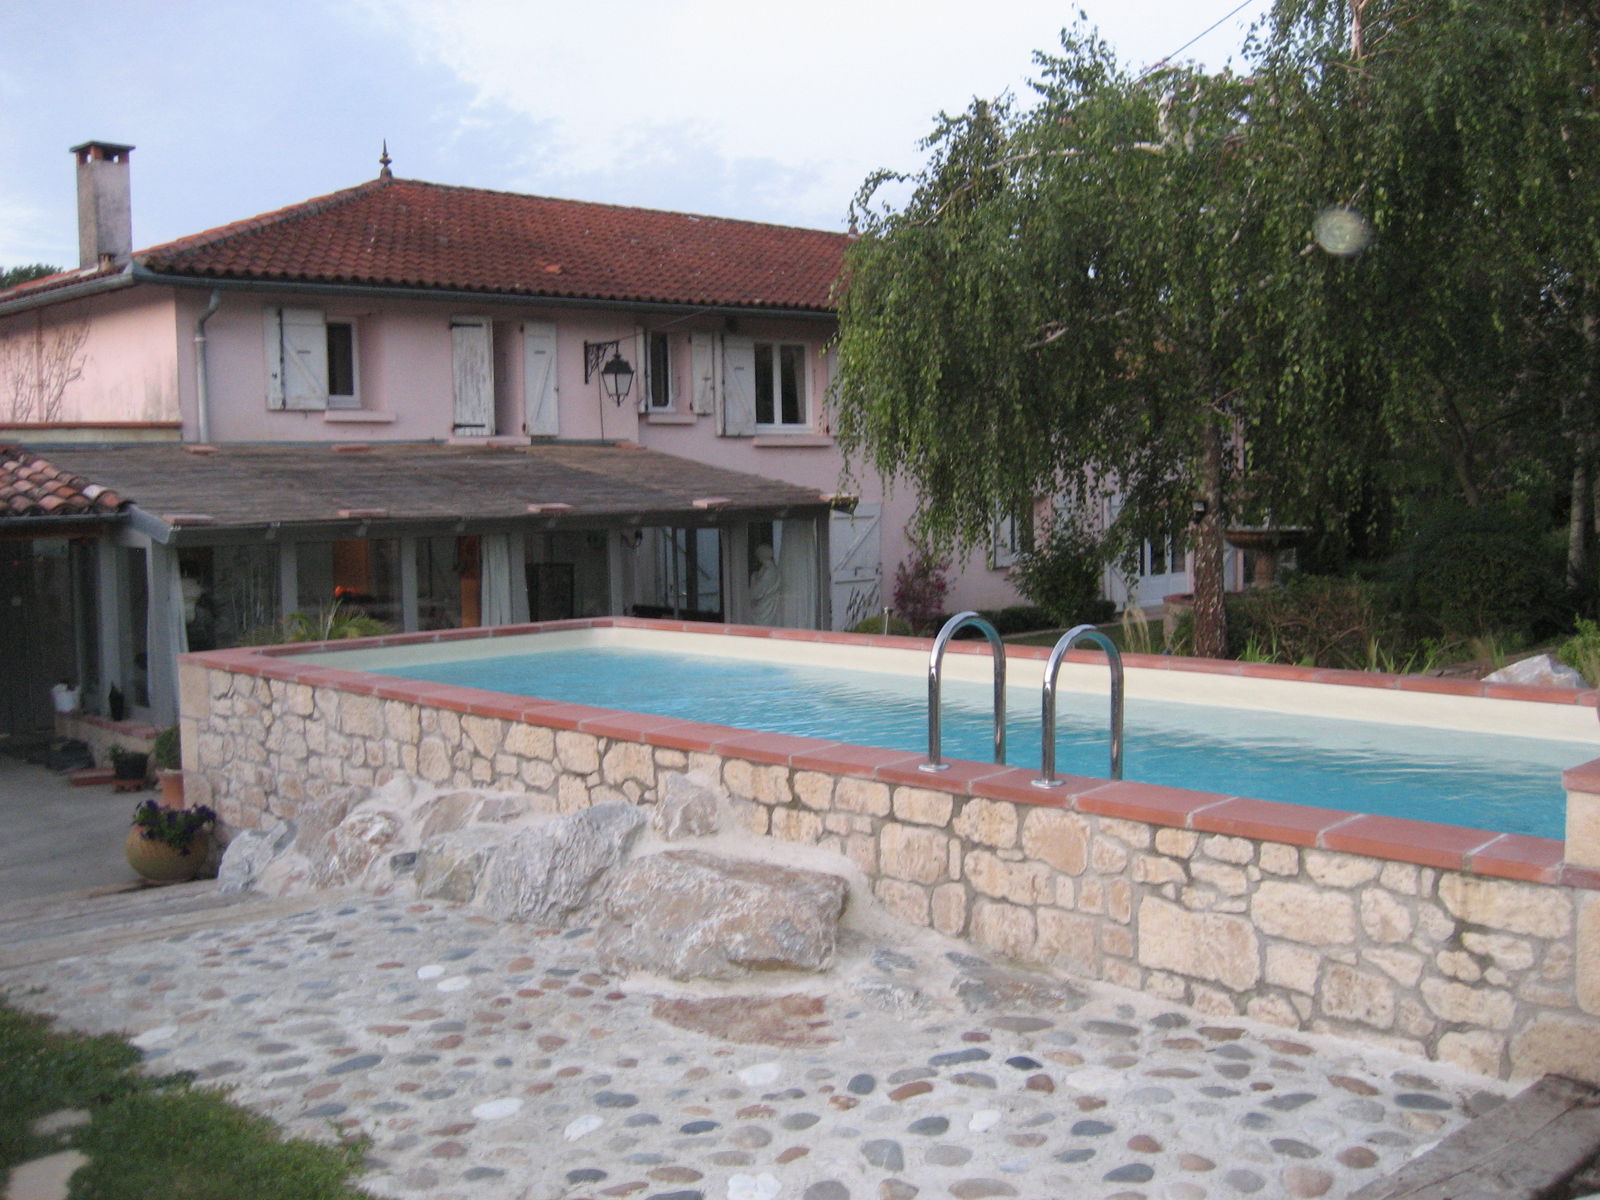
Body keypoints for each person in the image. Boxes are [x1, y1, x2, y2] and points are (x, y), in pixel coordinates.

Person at [750, 544, 781, 626]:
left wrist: (754, 579)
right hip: (763, 604)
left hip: (767, 605)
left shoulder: (770, 571)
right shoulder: (764, 569)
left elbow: (759, 590)